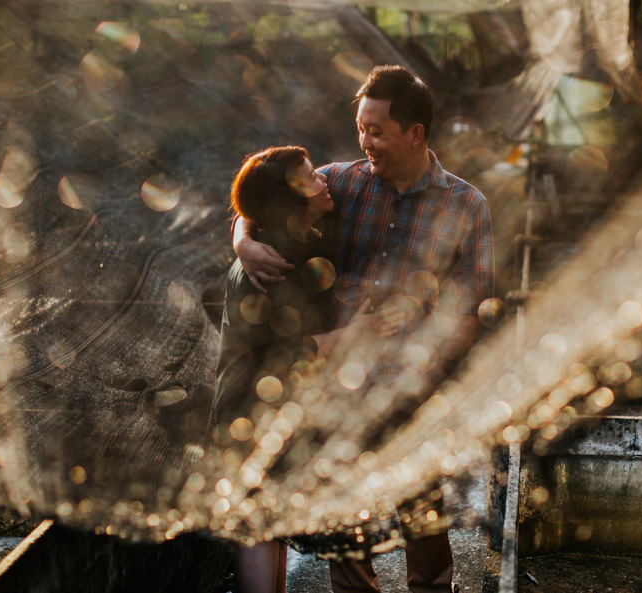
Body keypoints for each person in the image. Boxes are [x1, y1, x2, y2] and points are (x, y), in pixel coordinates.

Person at [233, 66, 495, 593]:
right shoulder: (343, 183)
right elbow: (257, 197)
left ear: (415, 133)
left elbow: (473, 310)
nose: (365, 141)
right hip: (338, 381)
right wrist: (242, 238)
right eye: (361, 128)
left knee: (421, 513)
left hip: (410, 384)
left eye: (377, 130)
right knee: (344, 520)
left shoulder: (466, 205)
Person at [215, 145, 386, 593]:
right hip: (251, 406)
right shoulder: (276, 264)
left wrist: (241, 235)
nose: (322, 180)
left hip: (275, 403)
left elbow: (247, 207)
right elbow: (288, 354)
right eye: (311, 178)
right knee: (259, 523)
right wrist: (355, 334)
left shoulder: (298, 234)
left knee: (270, 519)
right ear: (288, 202)